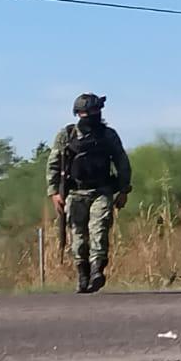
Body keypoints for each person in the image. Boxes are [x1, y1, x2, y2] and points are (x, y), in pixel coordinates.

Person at [46, 93, 131, 294]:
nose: (89, 115)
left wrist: (123, 190)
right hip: (75, 193)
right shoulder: (67, 135)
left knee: (99, 230)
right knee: (78, 236)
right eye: (84, 112)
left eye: (93, 111)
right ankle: (82, 275)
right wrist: (54, 192)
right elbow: (54, 164)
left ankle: (96, 271)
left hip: (102, 191)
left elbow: (122, 163)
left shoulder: (108, 136)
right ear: (78, 114)